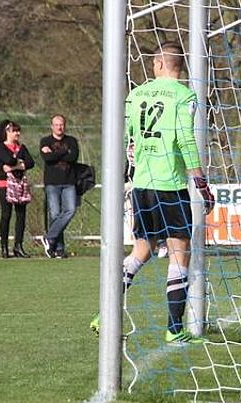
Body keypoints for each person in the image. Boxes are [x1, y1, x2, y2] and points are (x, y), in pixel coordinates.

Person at [90, 42, 214, 345]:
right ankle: (174, 329)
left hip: (142, 186)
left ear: (158, 64)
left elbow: (126, 139)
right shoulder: (184, 96)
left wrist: (127, 169)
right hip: (170, 186)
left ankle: (104, 314)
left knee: (141, 251)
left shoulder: (136, 95)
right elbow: (186, 140)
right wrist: (201, 183)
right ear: (179, 66)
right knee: (179, 253)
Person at [0, 120, 36, 258]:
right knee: (6, 214)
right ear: (6, 132)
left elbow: (30, 162)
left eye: (18, 131)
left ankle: (18, 246)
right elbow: (8, 159)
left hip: (20, 183)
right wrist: (20, 162)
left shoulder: (21, 147)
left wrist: (14, 166)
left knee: (21, 215)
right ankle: (4, 247)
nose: (17, 133)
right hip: (5, 183)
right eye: (14, 131)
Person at [39, 114, 80, 258]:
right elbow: (47, 158)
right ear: (52, 126)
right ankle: (58, 249)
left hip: (69, 182)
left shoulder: (71, 141)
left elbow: (73, 157)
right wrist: (64, 151)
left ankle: (49, 237)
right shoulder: (45, 141)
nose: (59, 127)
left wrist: (55, 153)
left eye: (61, 124)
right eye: (56, 125)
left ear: (65, 125)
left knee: (70, 210)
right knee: (55, 215)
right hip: (52, 183)